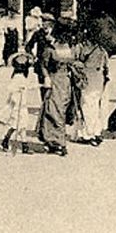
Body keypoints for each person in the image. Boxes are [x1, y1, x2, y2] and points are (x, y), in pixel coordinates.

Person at [37, 16, 79, 156]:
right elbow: (43, 64)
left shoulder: (71, 47)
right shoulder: (51, 48)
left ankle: (54, 140)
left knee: (63, 110)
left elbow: (75, 61)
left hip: (66, 81)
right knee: (54, 110)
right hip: (54, 80)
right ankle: (58, 141)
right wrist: (47, 77)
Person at [71, 26, 110, 146]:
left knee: (86, 104)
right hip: (98, 77)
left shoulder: (80, 47)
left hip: (86, 76)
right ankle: (96, 131)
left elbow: (75, 61)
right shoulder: (102, 49)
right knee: (95, 104)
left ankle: (87, 133)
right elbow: (106, 66)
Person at [0, 52, 35, 154]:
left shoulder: (22, 77)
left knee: (21, 126)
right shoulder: (17, 77)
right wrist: (18, 90)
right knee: (16, 125)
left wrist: (38, 86)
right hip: (17, 105)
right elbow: (10, 88)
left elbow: (28, 86)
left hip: (22, 105)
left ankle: (19, 144)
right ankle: (9, 141)